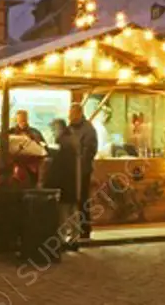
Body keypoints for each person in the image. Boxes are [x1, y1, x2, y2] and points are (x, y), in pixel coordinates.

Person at [40, 119, 80, 252]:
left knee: (63, 213)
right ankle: (74, 238)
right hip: (72, 183)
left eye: (53, 130)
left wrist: (48, 184)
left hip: (64, 184)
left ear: (60, 129)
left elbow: (57, 168)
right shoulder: (71, 142)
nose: (52, 133)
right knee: (72, 211)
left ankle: (63, 240)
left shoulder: (62, 145)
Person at [68, 102, 98, 239]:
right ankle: (73, 228)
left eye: (72, 113)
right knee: (72, 201)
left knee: (82, 200)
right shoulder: (70, 128)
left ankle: (85, 229)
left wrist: (80, 167)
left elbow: (89, 151)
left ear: (79, 113)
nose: (70, 116)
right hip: (71, 170)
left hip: (82, 171)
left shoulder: (88, 130)